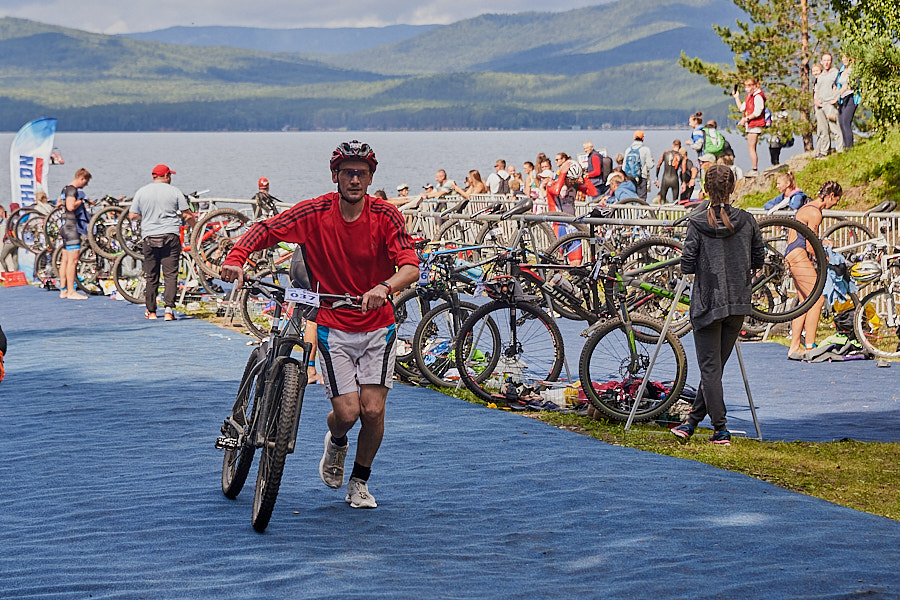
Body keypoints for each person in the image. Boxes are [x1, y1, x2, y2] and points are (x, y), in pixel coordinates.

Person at [221, 140, 419, 509]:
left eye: (362, 173)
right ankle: (337, 442)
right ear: (336, 177)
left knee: (373, 410)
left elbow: (410, 265)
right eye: (348, 173)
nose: (355, 179)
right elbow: (266, 228)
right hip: (334, 323)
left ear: (371, 177)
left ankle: (359, 481)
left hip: (378, 324)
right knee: (347, 413)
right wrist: (236, 256)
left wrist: (384, 286)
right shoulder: (315, 213)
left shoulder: (387, 216)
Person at [672, 165, 765, 446]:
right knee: (714, 369)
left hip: (708, 302)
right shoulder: (747, 220)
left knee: (710, 369)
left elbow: (687, 264)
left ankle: (720, 429)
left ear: (705, 189)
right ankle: (691, 422)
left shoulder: (698, 221)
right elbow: (758, 259)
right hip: (737, 301)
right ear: (733, 188)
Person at [128, 164, 196, 321]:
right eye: (170, 175)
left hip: (149, 238)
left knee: (151, 275)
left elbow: (132, 215)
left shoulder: (142, 192)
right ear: (166, 176)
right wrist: (196, 229)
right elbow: (187, 214)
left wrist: (145, 217)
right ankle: (168, 311)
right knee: (170, 275)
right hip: (170, 236)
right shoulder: (175, 191)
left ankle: (151, 311)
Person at [785, 181, 842, 360]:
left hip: (792, 253)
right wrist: (824, 257)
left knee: (804, 302)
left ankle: (794, 346)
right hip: (799, 254)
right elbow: (810, 245)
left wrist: (823, 243)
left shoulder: (807, 207)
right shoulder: (815, 212)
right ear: (831, 195)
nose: (836, 205)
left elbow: (812, 237)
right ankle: (810, 346)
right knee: (817, 299)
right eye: (837, 201)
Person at [57, 168, 92, 300]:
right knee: (73, 261)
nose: (86, 185)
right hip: (71, 228)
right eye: (86, 181)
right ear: (81, 178)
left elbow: (58, 204)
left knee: (65, 260)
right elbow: (70, 206)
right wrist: (80, 201)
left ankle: (64, 290)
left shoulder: (64, 189)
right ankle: (72, 291)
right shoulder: (72, 190)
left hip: (64, 225)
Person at [733, 77, 767, 176]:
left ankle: (755, 169)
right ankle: (754, 168)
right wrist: (736, 97)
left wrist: (745, 119)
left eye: (749, 87)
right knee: (751, 147)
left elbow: (757, 112)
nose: (747, 89)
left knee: (752, 147)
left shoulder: (758, 97)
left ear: (754, 86)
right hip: (750, 124)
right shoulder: (749, 96)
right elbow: (741, 108)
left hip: (755, 124)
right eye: (746, 87)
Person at [814, 53, 843, 158]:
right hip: (820, 105)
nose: (826, 62)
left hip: (830, 105)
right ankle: (824, 151)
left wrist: (836, 99)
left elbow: (840, 86)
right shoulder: (820, 76)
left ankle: (840, 150)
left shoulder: (835, 73)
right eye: (824, 60)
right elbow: (817, 90)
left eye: (828, 60)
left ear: (831, 61)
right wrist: (816, 101)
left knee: (835, 128)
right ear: (821, 61)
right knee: (823, 130)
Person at [624, 131, 653, 201]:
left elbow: (623, 166)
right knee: (642, 198)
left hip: (630, 177)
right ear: (643, 138)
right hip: (642, 177)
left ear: (634, 138)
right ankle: (641, 211)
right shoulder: (646, 149)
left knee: (631, 197)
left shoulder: (628, 150)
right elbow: (650, 165)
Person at [837, 54, 858, 149]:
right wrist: (834, 88)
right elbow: (836, 82)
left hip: (851, 97)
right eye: (843, 58)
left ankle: (850, 147)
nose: (845, 59)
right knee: (841, 122)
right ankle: (846, 146)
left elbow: (856, 83)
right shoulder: (841, 70)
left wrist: (845, 89)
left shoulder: (853, 70)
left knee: (846, 121)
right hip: (842, 99)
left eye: (847, 58)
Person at [654, 139, 683, 204]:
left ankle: (662, 213)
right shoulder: (680, 156)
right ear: (680, 147)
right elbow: (683, 170)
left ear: (672, 145)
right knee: (675, 201)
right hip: (674, 179)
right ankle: (674, 212)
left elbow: (658, 165)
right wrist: (683, 182)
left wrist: (656, 178)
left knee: (662, 199)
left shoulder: (665, 153)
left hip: (665, 179)